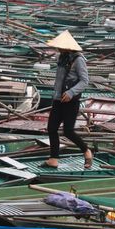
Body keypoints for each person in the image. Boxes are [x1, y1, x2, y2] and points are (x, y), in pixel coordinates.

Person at [44, 30, 93, 169]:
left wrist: (71, 92)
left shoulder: (78, 60)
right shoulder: (62, 57)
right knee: (52, 128)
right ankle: (53, 159)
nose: (58, 48)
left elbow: (85, 81)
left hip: (71, 101)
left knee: (68, 131)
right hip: (58, 99)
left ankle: (87, 151)